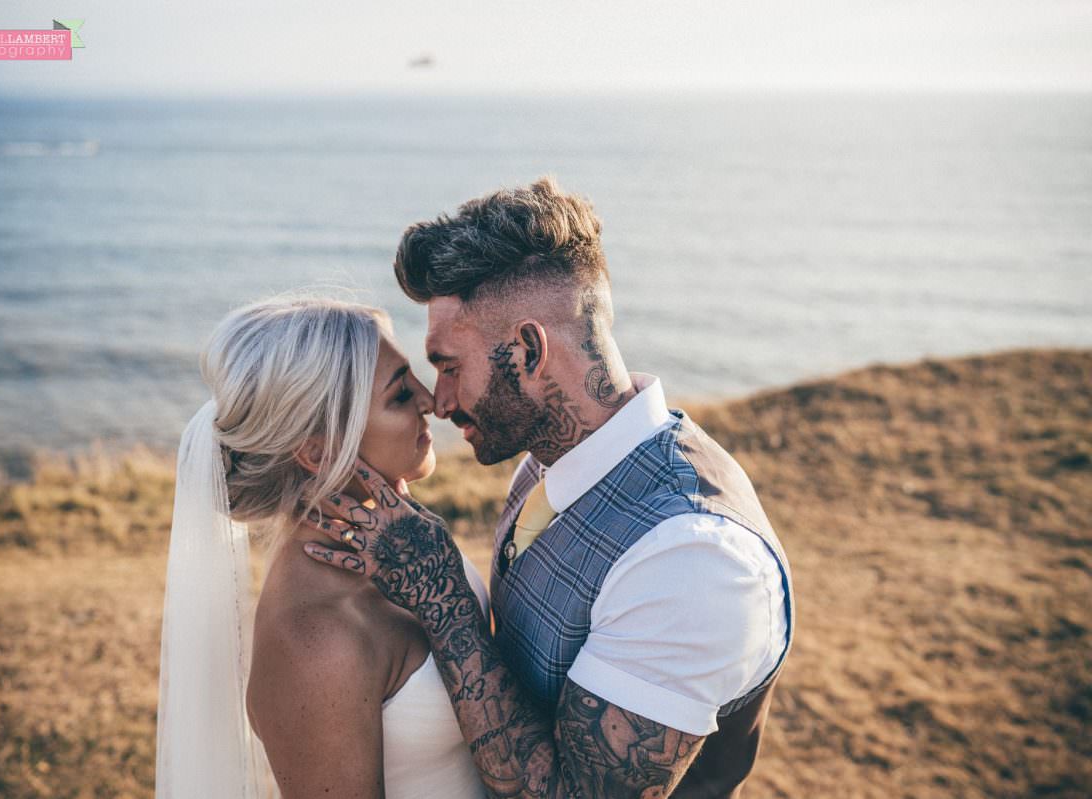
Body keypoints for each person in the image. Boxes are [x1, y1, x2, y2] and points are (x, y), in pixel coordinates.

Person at [306, 177, 795, 798]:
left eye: (450, 366)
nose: (441, 401)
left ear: (530, 349)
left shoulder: (692, 559)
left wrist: (444, 599)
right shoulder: (549, 457)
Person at [155, 296, 491, 798]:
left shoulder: (407, 540)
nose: (432, 401)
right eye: (400, 396)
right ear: (319, 450)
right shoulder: (314, 636)